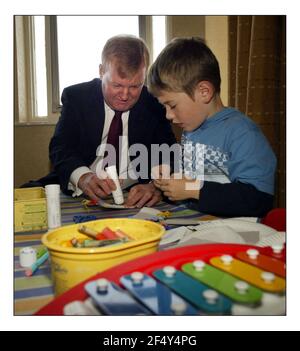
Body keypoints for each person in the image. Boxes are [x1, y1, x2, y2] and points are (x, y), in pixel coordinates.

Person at [32, 35, 176, 208]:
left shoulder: (154, 103)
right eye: (116, 85)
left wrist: (155, 187)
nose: (124, 95)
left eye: (134, 86)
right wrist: (84, 177)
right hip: (79, 192)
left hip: (134, 198)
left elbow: (170, 154)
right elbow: (61, 148)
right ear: (101, 72)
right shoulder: (77, 98)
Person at [147, 37, 276, 217]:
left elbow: (257, 200)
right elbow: (200, 181)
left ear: (204, 92)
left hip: (238, 235)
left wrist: (192, 189)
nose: (168, 115)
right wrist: (170, 180)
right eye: (164, 107)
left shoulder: (243, 133)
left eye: (173, 105)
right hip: (197, 224)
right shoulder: (191, 130)